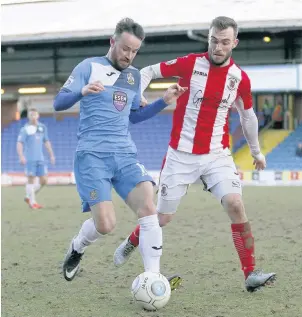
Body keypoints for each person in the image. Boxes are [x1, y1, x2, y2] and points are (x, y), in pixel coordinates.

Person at [113, 16, 276, 293]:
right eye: (214, 40)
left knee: (236, 205)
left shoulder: (239, 78)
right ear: (208, 38)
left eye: (225, 42)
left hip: (217, 154)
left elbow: (247, 116)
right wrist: (137, 94)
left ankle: (250, 273)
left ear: (234, 43)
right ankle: (132, 240)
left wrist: (256, 152)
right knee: (161, 218)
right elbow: (148, 71)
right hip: (180, 156)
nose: (218, 47)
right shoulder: (190, 63)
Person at [53, 18, 186, 288]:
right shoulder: (88, 67)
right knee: (105, 225)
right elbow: (58, 102)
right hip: (92, 156)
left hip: (124, 154)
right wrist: (82, 91)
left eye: (135, 50)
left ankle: (154, 276)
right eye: (125, 48)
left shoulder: (133, 76)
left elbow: (134, 117)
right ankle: (77, 247)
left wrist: (164, 101)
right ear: (112, 42)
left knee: (149, 207)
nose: (129, 55)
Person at [17, 108, 56, 209]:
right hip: (30, 158)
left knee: (44, 180)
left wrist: (51, 155)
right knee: (31, 180)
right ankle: (32, 202)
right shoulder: (25, 129)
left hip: (40, 159)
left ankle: (28, 196)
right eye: (31, 115)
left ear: (38, 116)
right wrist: (21, 156)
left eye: (34, 115)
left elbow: (46, 141)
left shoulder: (42, 127)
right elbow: (19, 143)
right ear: (28, 116)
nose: (33, 117)